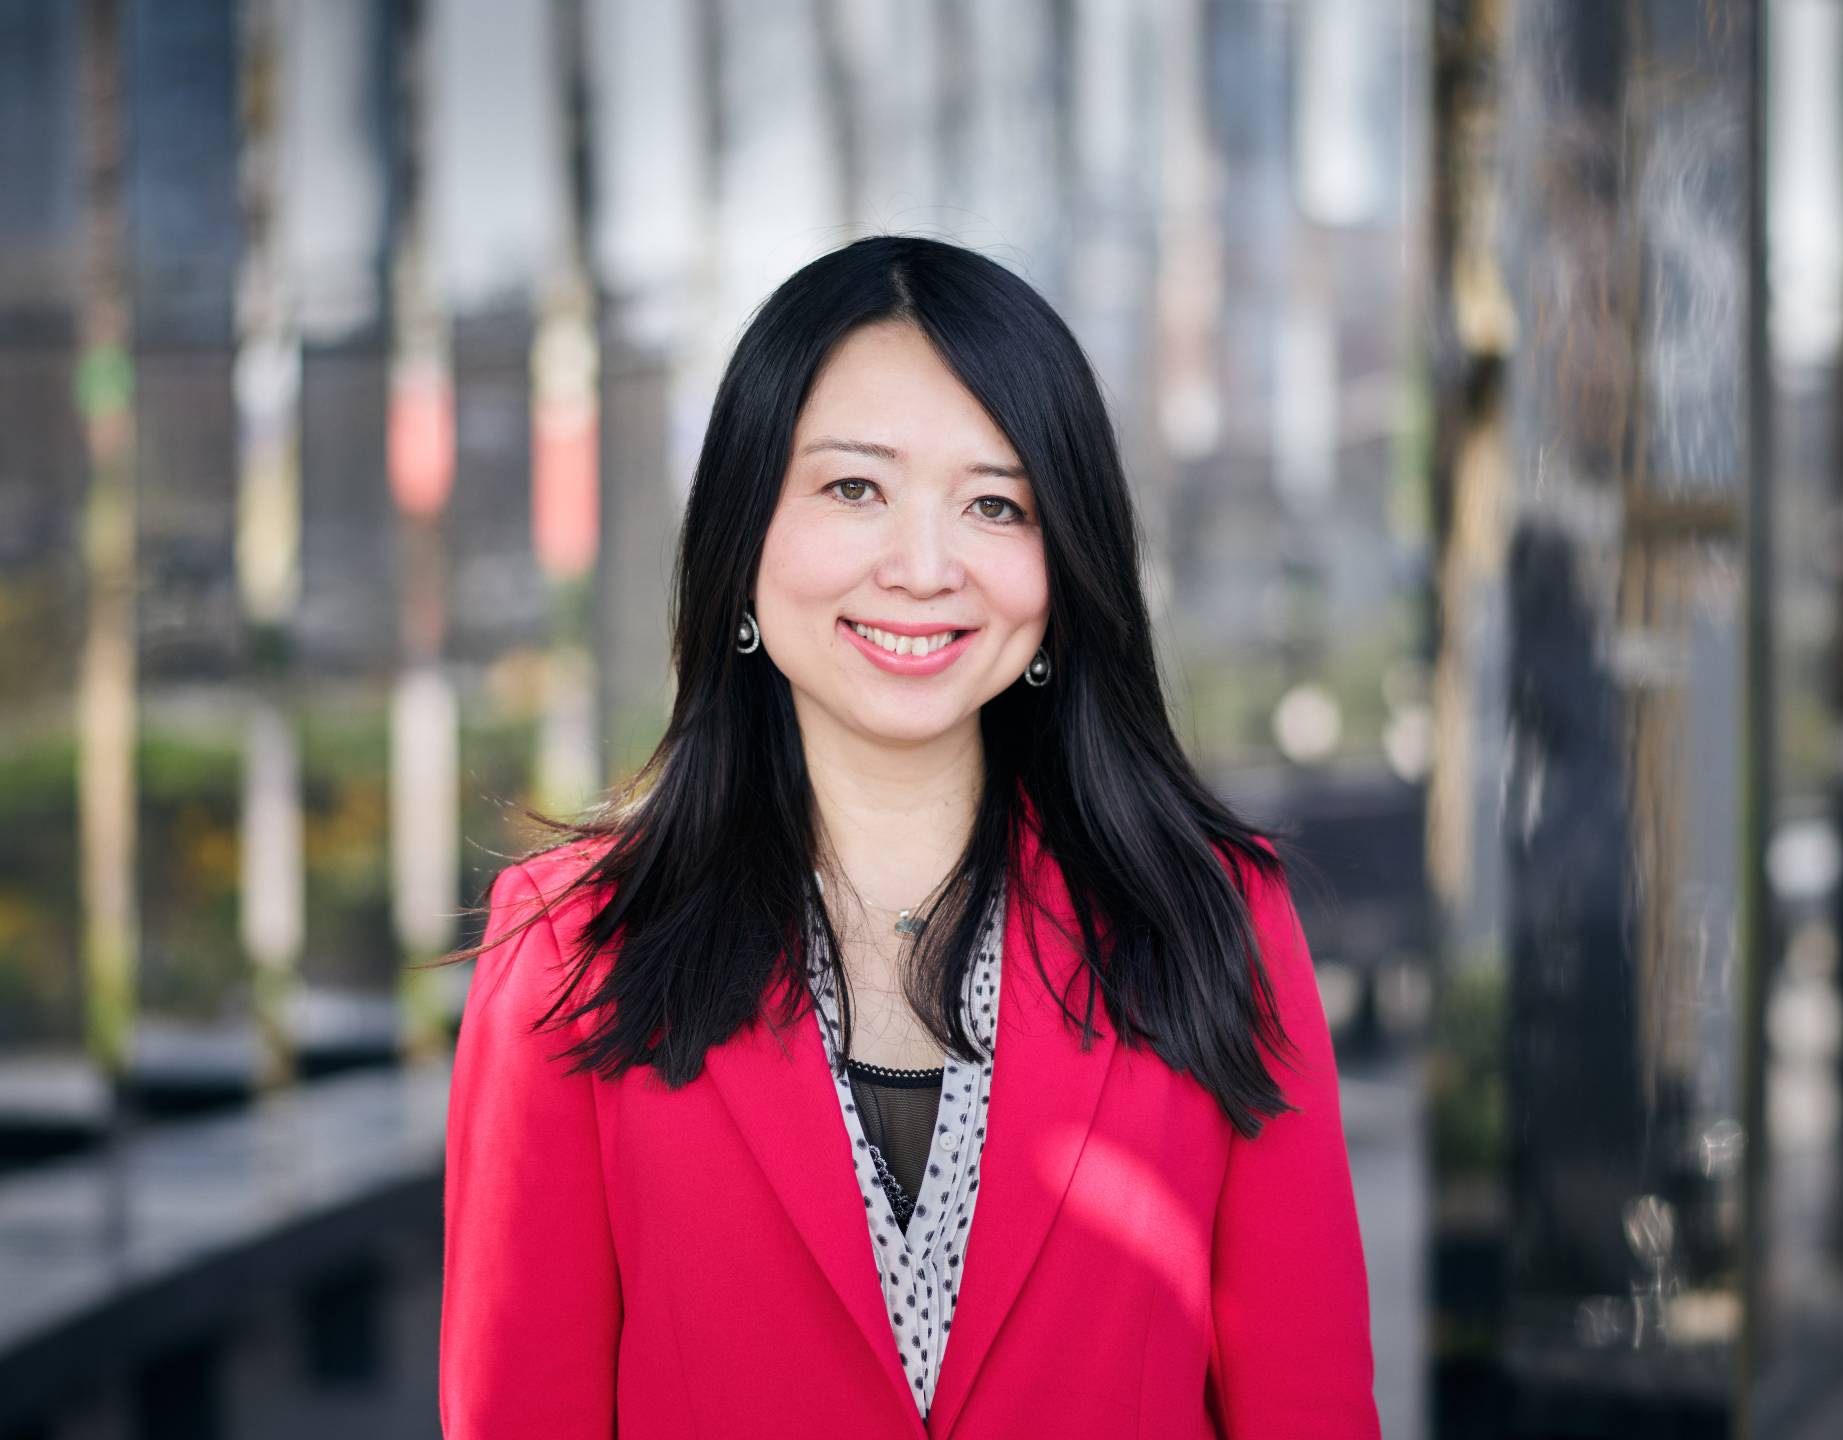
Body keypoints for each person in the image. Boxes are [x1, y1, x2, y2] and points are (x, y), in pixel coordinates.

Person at [438, 234, 1377, 1438]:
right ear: (744, 540)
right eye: (853, 488)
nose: (923, 568)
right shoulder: (575, 946)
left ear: (1060, 569)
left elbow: (1309, 1410)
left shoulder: (1212, 919)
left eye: (995, 504)